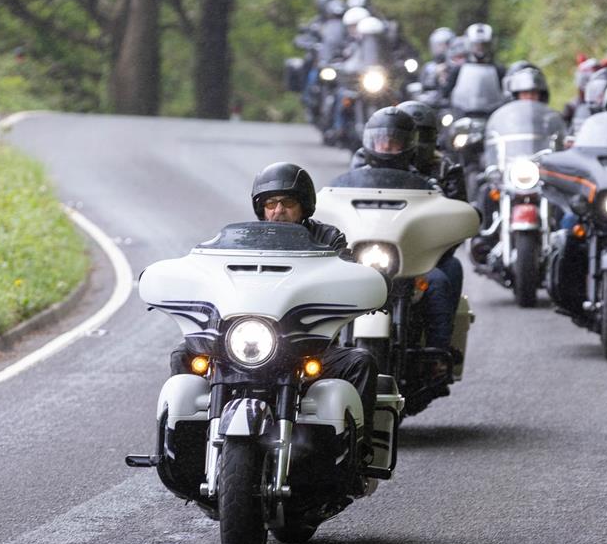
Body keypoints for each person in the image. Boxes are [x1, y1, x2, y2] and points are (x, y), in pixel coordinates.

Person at [171, 162, 380, 458]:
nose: (278, 210)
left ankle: (360, 452)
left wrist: (363, 288)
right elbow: (207, 272)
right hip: (245, 345)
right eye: (270, 203)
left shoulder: (328, 240)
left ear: (304, 206)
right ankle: (186, 450)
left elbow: (349, 272)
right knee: (183, 355)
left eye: (288, 203)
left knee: (361, 362)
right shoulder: (239, 241)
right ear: (261, 208)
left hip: (308, 347)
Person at [333, 108, 462, 359]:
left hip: (407, 256)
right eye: (381, 140)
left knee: (438, 281)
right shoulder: (354, 177)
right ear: (369, 141)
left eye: (394, 142)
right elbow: (333, 205)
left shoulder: (426, 184)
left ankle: (437, 353)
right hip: (362, 252)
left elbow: (449, 210)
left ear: (408, 144)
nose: (386, 146)